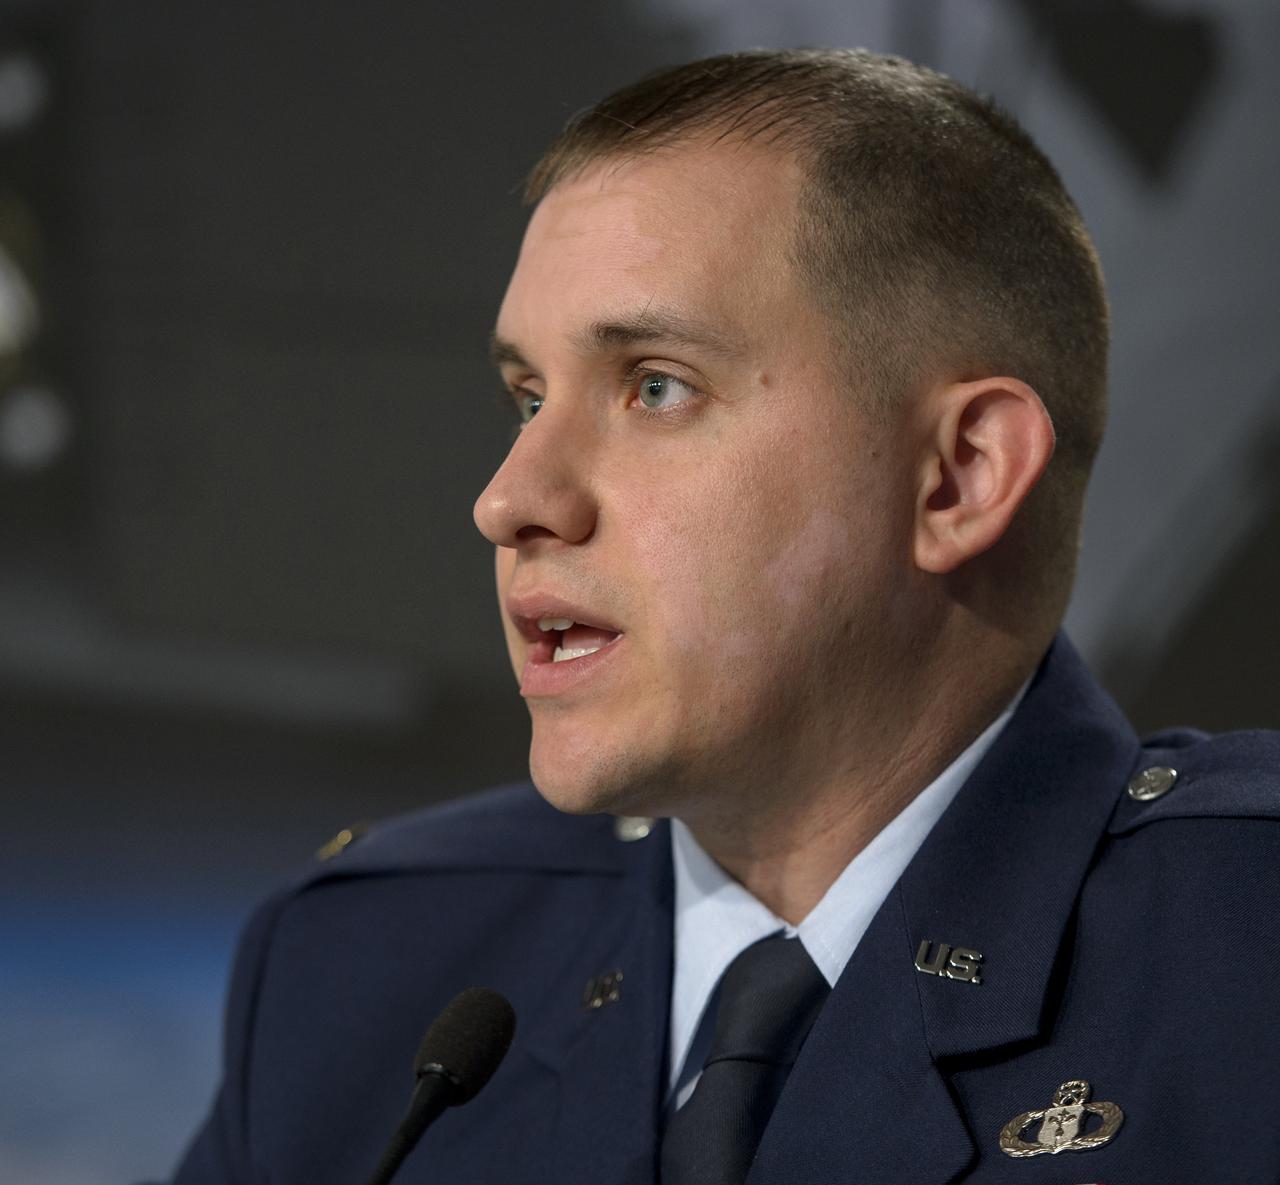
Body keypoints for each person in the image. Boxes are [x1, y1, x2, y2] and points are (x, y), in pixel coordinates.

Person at [161, 48, 1280, 1185]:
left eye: (655, 385)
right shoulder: (360, 970)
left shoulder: (1247, 960)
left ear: (958, 476)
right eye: (527, 398)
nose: (509, 501)